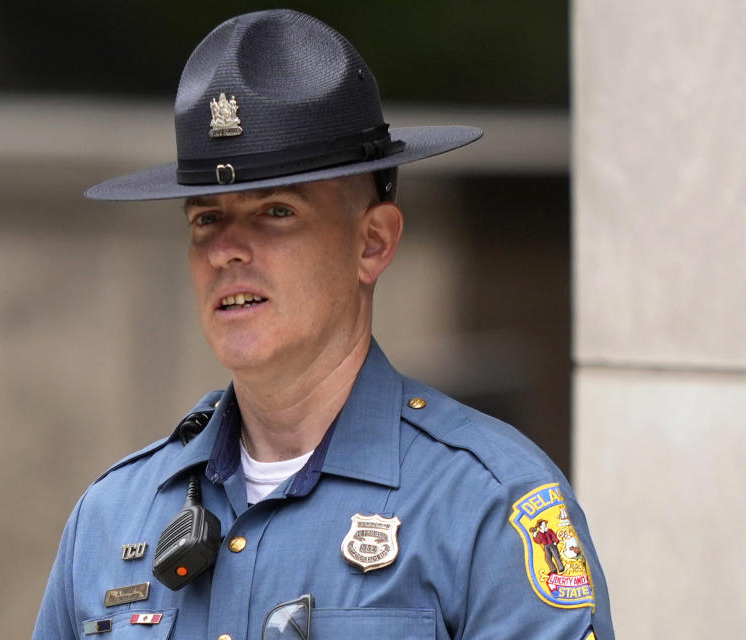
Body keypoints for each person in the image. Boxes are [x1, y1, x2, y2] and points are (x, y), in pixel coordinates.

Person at [33, 9, 613, 640]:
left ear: (372, 243)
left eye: (276, 211)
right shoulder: (114, 516)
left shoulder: (487, 504)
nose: (227, 249)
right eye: (206, 219)